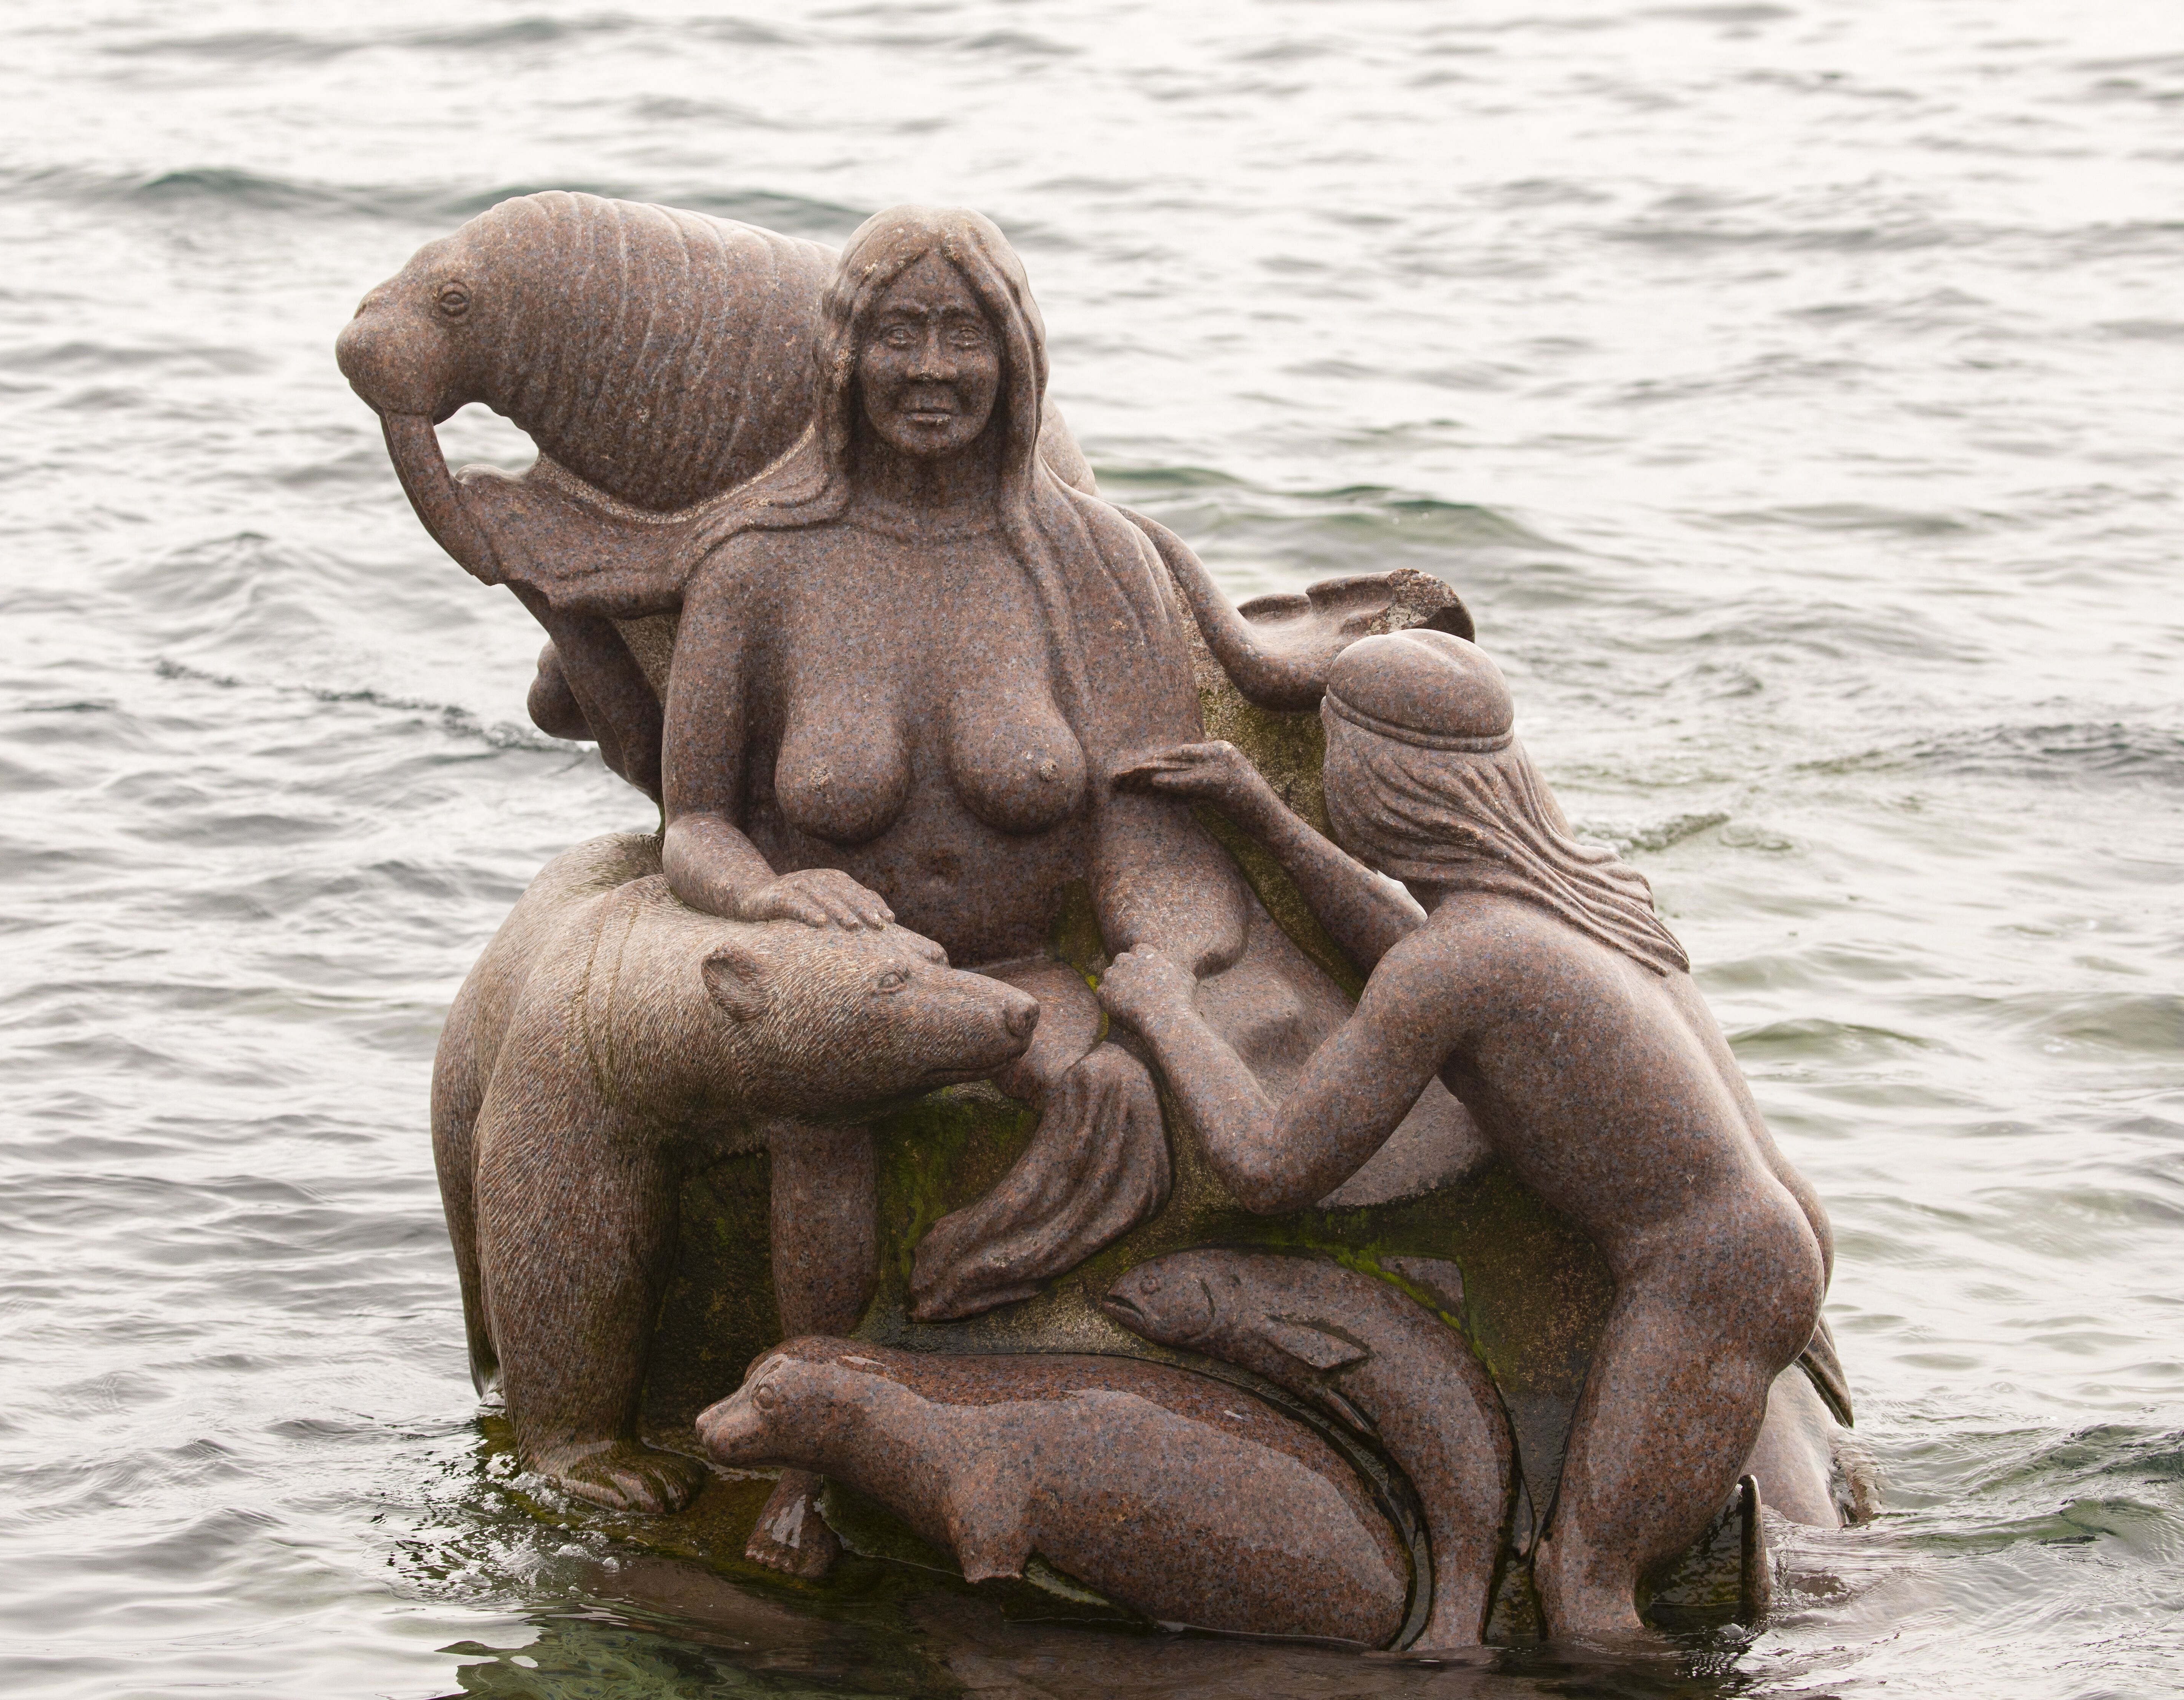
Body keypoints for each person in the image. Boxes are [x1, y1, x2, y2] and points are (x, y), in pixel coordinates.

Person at [659, 205, 1350, 1569]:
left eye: (963, 334)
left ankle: (1017, 1375)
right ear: (845, 355)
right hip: (841, 961)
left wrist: (1168, 971)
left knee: (1128, 1091)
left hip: (1027, 962)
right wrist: (770, 901)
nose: (931, 368)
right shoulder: (758, 568)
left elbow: (1146, 823)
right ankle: (811, 1441)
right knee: (822, 1096)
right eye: (898, 334)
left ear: (1016, 355)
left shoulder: (1093, 563)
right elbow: (695, 824)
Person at [1096, 627, 1830, 1642]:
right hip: (1765, 1240)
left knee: (1585, 1596)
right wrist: (1265, 816)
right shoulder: (1576, 901)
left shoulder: (1460, 965)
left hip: (1710, 1278)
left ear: (1376, 786)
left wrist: (1166, 1011)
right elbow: (1416, 944)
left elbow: (1268, 1165)